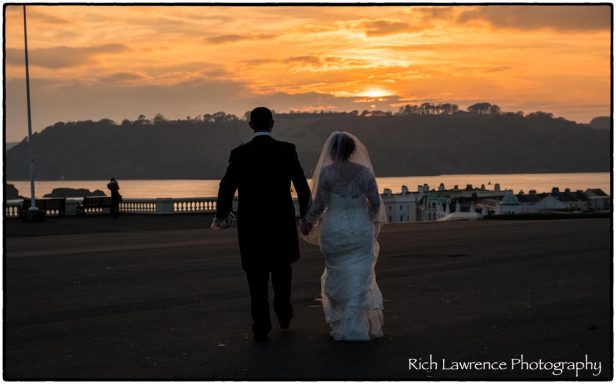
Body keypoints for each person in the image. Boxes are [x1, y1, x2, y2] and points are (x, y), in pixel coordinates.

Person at [213, 107, 311, 342]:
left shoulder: (240, 153)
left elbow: (226, 187)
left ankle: (261, 326)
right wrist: (307, 215)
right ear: (272, 123)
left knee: (255, 279)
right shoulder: (287, 151)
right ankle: (284, 312)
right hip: (281, 224)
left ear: (250, 125)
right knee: (282, 272)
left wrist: (222, 215)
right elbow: (302, 186)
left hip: (251, 226)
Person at [300, 132, 386, 341]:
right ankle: (356, 325)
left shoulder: (327, 174)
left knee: (338, 274)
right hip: (360, 228)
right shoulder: (365, 173)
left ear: (331, 151)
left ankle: (343, 324)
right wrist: (368, 220)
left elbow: (319, 204)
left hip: (336, 228)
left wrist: (308, 221)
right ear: (352, 151)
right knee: (359, 276)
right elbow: (375, 202)